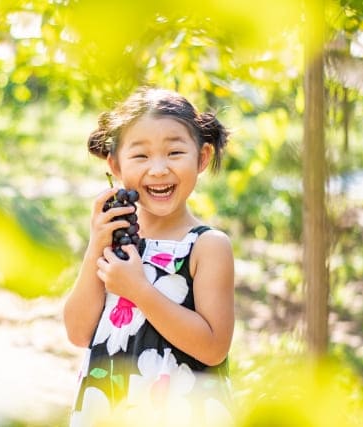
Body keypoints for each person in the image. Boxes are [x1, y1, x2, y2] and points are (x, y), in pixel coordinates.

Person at [63, 87, 235, 426]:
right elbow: (78, 332)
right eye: (140, 156)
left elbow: (214, 348)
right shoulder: (116, 239)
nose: (158, 169)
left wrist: (139, 291)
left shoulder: (206, 246)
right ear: (115, 164)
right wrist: (96, 243)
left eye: (174, 152)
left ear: (201, 158)